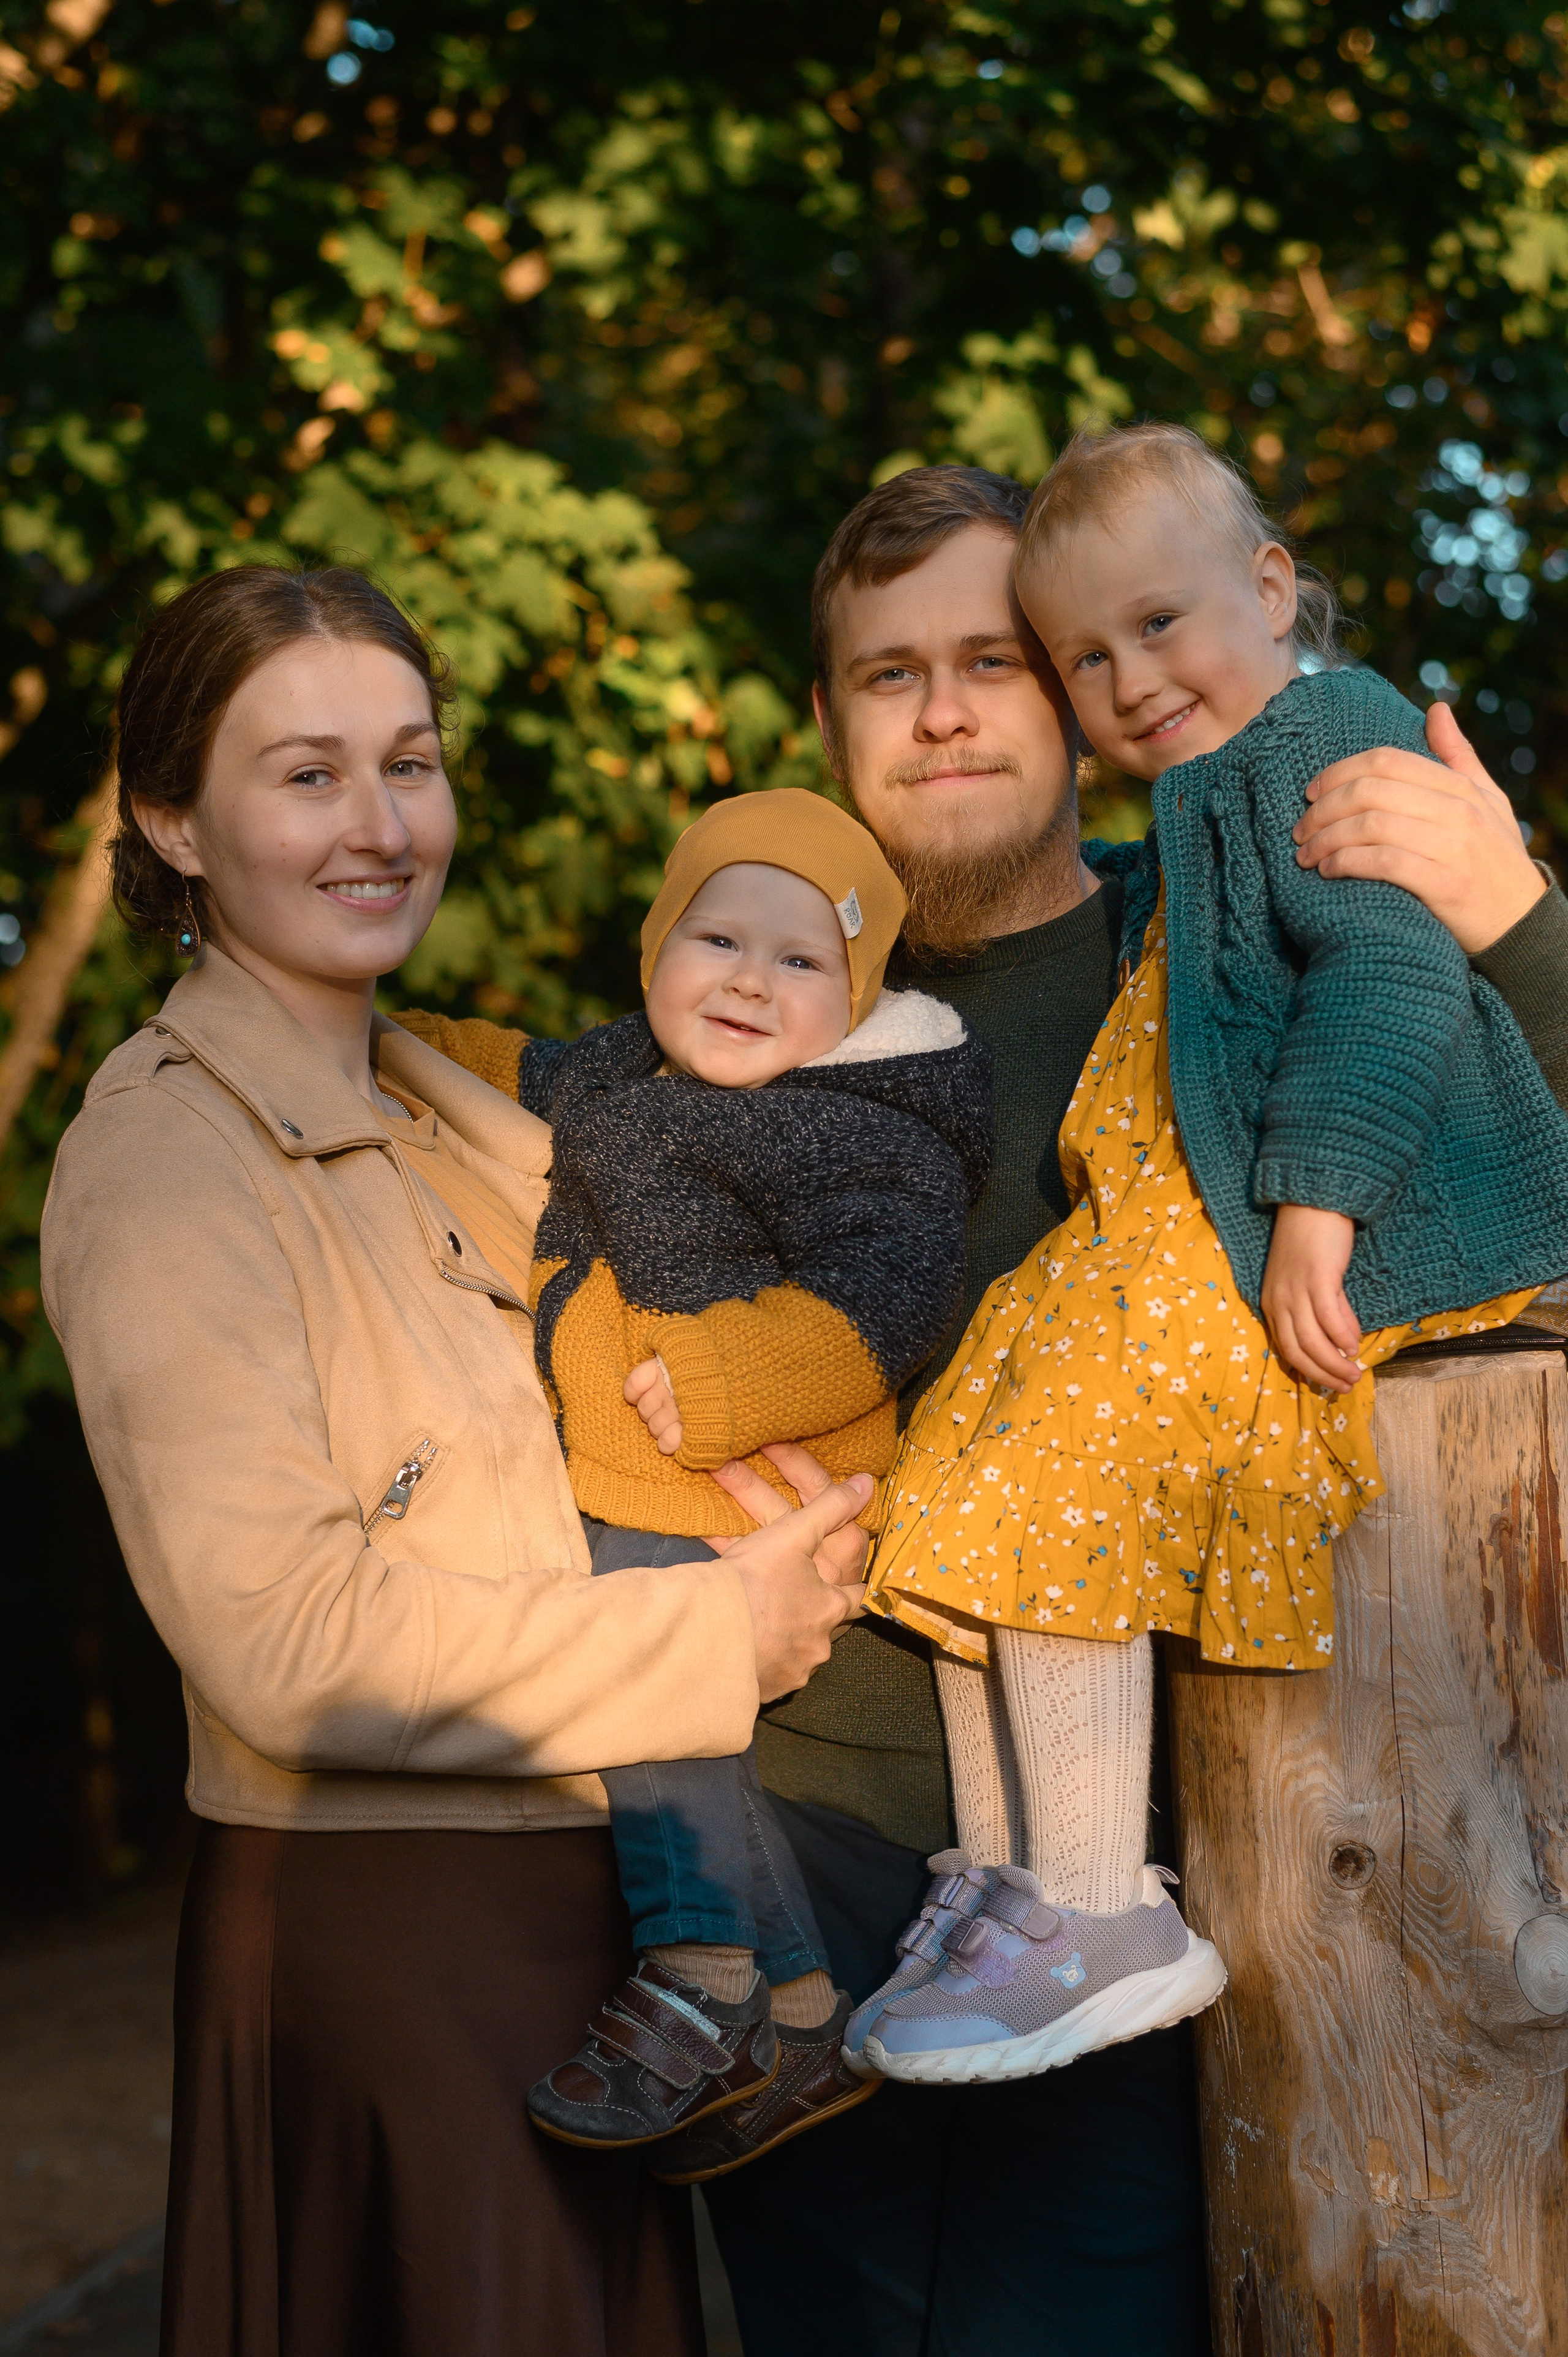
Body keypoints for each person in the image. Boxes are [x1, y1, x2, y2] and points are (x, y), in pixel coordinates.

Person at [694, 462, 1568, 2357]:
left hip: (1149, 1861)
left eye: (996, 659)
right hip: (817, 1850)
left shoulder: (1219, 930)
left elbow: (1505, 1112)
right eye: (886, 672)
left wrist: (1510, 908)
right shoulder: (750, 1001)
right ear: (830, 720)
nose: (941, 709)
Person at [39, 563, 871, 2357]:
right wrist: (719, 1635)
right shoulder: (165, 1155)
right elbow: (285, 1635)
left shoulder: (447, 1110)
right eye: (307, 773)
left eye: (407, 764)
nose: (378, 823)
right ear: (172, 817)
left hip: (591, 1923)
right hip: (387, 1937)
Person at [848, 421, 1567, 2086]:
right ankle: (1014, 1879)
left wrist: (1321, 1202)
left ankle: (1102, 1903)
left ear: (1270, 587)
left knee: (1068, 1456)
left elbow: (1385, 985)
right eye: (1087, 655)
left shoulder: (1332, 743)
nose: (1128, 677)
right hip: (1175, 1229)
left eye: (1159, 625)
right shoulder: (1204, 804)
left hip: (1299, 1222)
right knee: (964, 1454)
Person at [401, 788, 991, 2163]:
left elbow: (879, 1302)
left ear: (852, 1004)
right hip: (648, 1471)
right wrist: (381, 1044)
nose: (746, 979)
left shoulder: (863, 1126)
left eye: (799, 963)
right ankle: (790, 2006)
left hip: (746, 1469)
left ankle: (698, 1970)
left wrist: (724, 1382)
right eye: (714, 938)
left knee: (649, 1711)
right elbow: (513, 1066)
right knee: (674, 1713)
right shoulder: (625, 1074)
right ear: (657, 951)